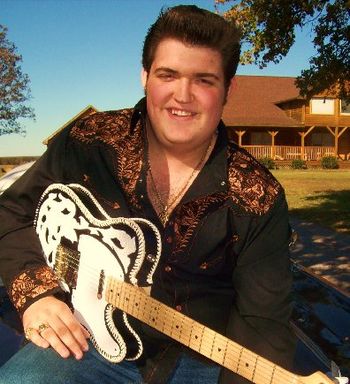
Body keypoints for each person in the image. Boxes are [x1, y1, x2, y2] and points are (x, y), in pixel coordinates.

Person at [0, 5, 296, 383]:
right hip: (84, 341)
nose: (182, 95)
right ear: (145, 76)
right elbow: (12, 212)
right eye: (167, 75)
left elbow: (263, 326)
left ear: (228, 89)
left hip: (200, 362)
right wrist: (36, 294)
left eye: (204, 80)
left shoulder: (259, 196)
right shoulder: (89, 141)